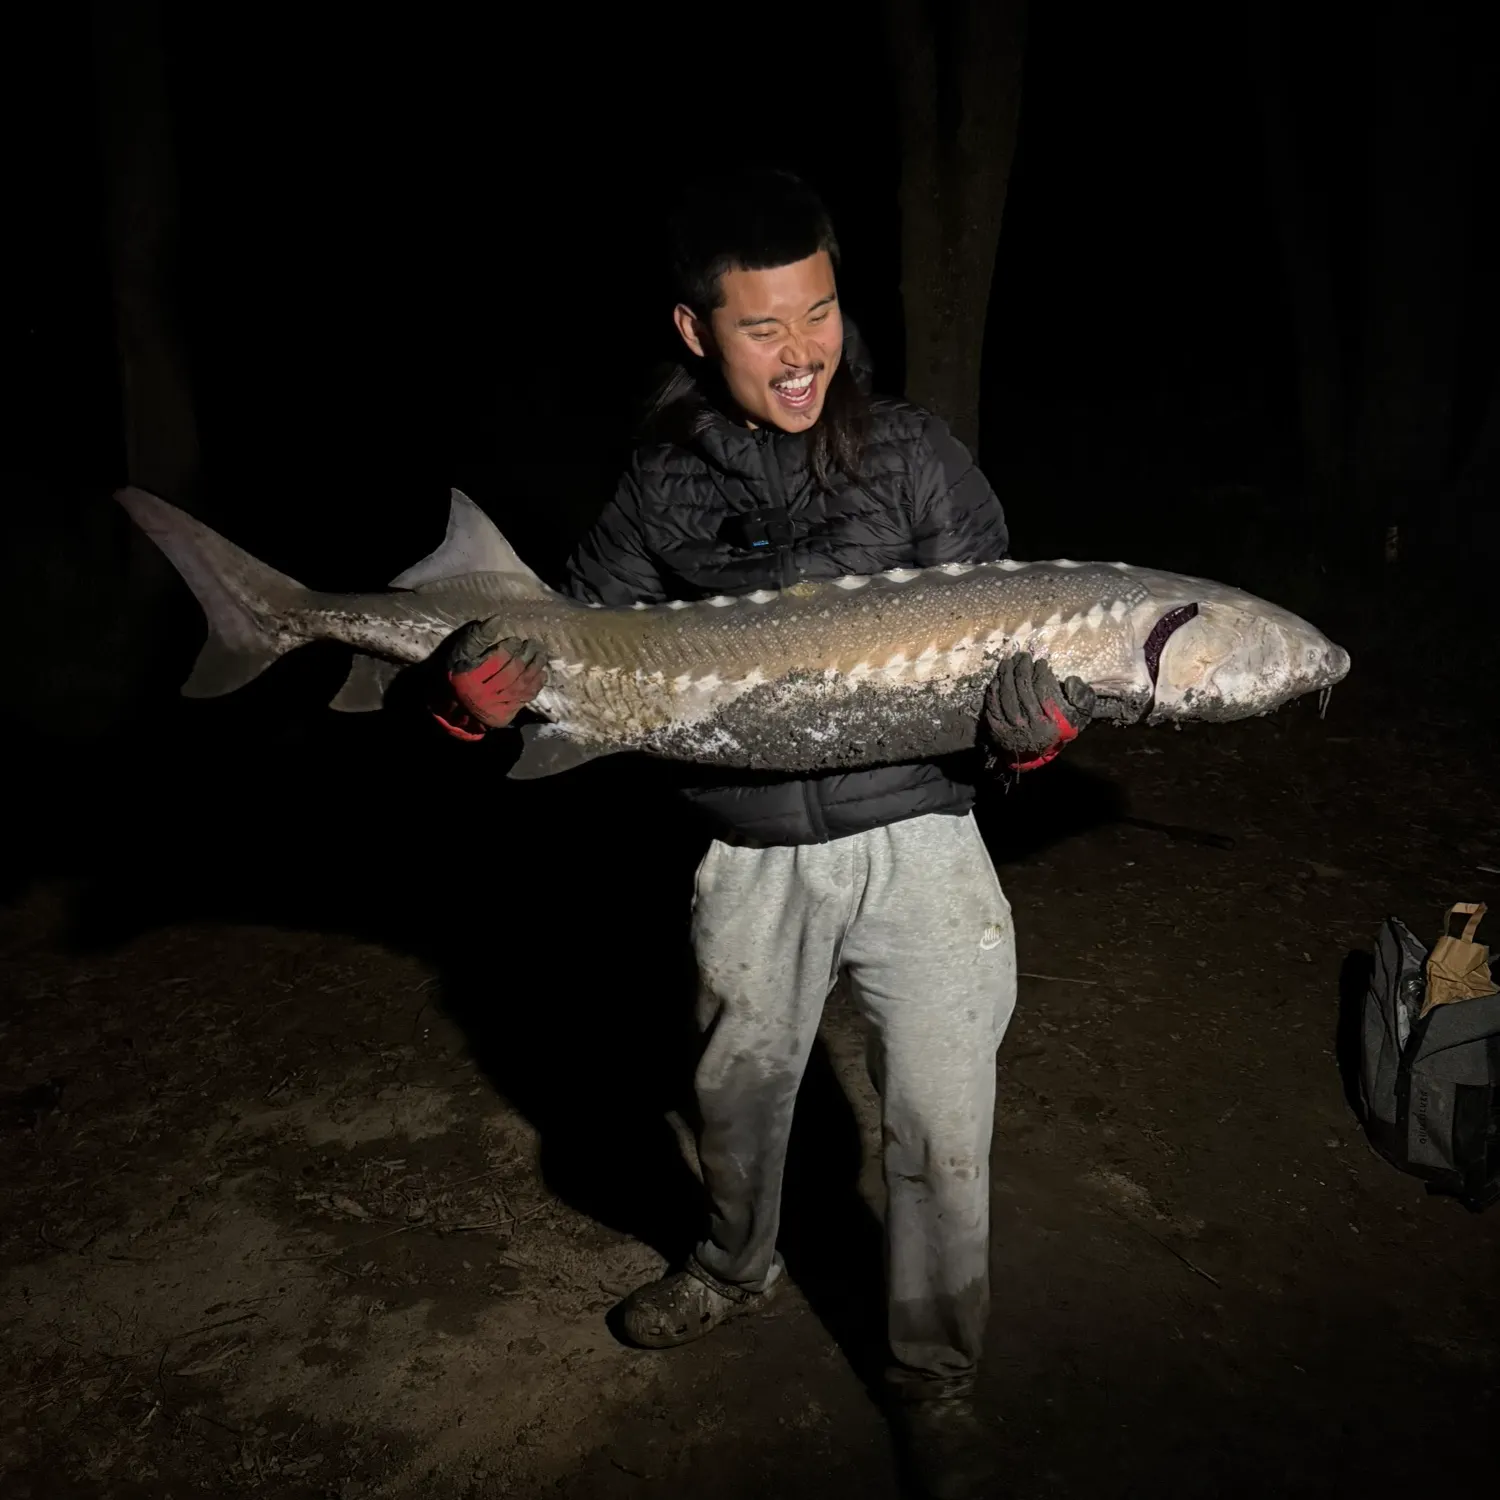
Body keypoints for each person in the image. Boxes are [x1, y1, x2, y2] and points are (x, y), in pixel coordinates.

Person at [431, 168, 1095, 1500]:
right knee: (736, 1101)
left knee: (940, 1128)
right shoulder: (661, 491)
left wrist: (1029, 739)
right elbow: (565, 650)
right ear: (695, 331)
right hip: (747, 860)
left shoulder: (913, 456)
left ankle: (935, 1377)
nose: (802, 353)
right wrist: (475, 705)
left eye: (822, 313)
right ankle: (736, 1265)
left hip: (925, 847)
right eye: (762, 326)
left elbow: (1013, 649)